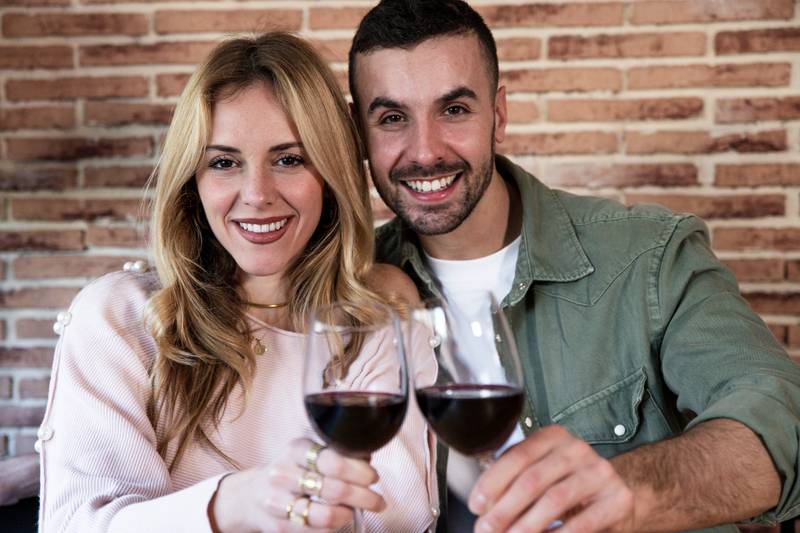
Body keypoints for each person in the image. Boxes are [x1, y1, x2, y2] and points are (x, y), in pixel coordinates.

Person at [348, 1, 800, 532]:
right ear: (359, 131)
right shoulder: (345, 290)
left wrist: (632, 490)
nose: (424, 152)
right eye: (393, 118)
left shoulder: (649, 256)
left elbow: (781, 418)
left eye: (454, 110)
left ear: (498, 114)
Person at [38, 32, 439, 533]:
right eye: (224, 162)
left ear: (330, 174)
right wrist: (231, 504)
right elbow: (79, 524)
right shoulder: (118, 320)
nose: (256, 194)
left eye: (289, 159)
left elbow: (396, 522)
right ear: (193, 181)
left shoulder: (377, 318)